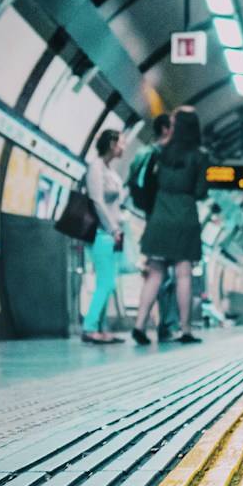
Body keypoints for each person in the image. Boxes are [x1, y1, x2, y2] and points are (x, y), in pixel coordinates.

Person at [132, 106, 210, 345]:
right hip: (185, 215)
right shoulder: (199, 155)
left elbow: (148, 182)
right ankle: (185, 329)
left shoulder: (159, 151)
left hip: (160, 215)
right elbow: (200, 191)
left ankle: (139, 325)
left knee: (155, 274)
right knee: (183, 275)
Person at [82, 128, 126, 343]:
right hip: (101, 233)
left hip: (113, 234)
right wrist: (112, 229)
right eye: (121, 143)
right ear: (112, 144)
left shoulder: (111, 172)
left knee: (108, 282)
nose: (124, 147)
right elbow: (96, 200)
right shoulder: (95, 168)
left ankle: (101, 328)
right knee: (106, 283)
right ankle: (90, 327)